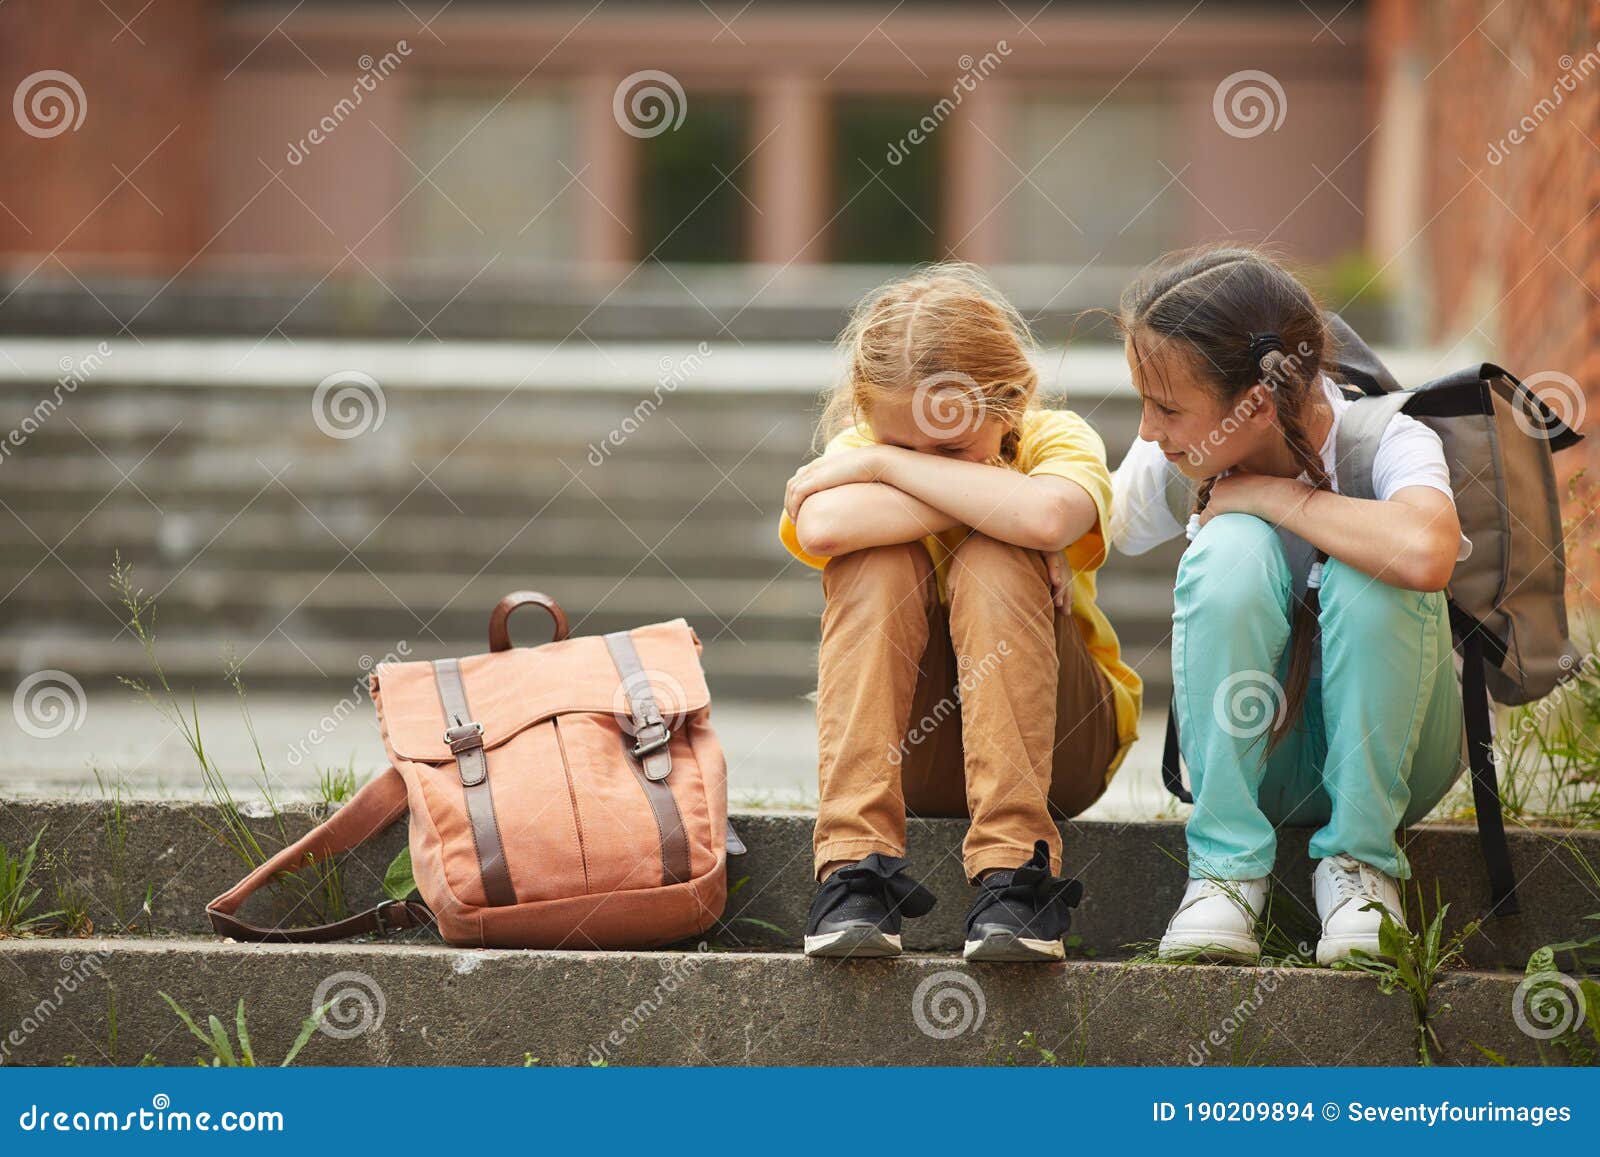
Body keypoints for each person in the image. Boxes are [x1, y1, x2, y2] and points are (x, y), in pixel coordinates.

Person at [1109, 246, 1468, 964]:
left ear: (1257, 404)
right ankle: (1225, 873)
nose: (1148, 430)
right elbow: (1092, 523)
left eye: (1167, 407)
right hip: (1262, 753)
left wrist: (1280, 497)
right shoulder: (1173, 454)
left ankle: (1362, 867)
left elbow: (1430, 549)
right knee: (1229, 548)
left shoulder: (1389, 437)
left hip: (1398, 756)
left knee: (1377, 565)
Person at [778, 263, 1141, 961]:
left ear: (1014, 400)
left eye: (945, 448)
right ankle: (854, 869)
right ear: (865, 414)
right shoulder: (865, 445)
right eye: (899, 449)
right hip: (912, 752)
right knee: (875, 559)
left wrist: (886, 472)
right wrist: (995, 495)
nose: (917, 458)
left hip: (1062, 745)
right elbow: (823, 529)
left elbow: (1048, 513)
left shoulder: (1056, 437)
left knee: (994, 555)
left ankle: (1016, 876)